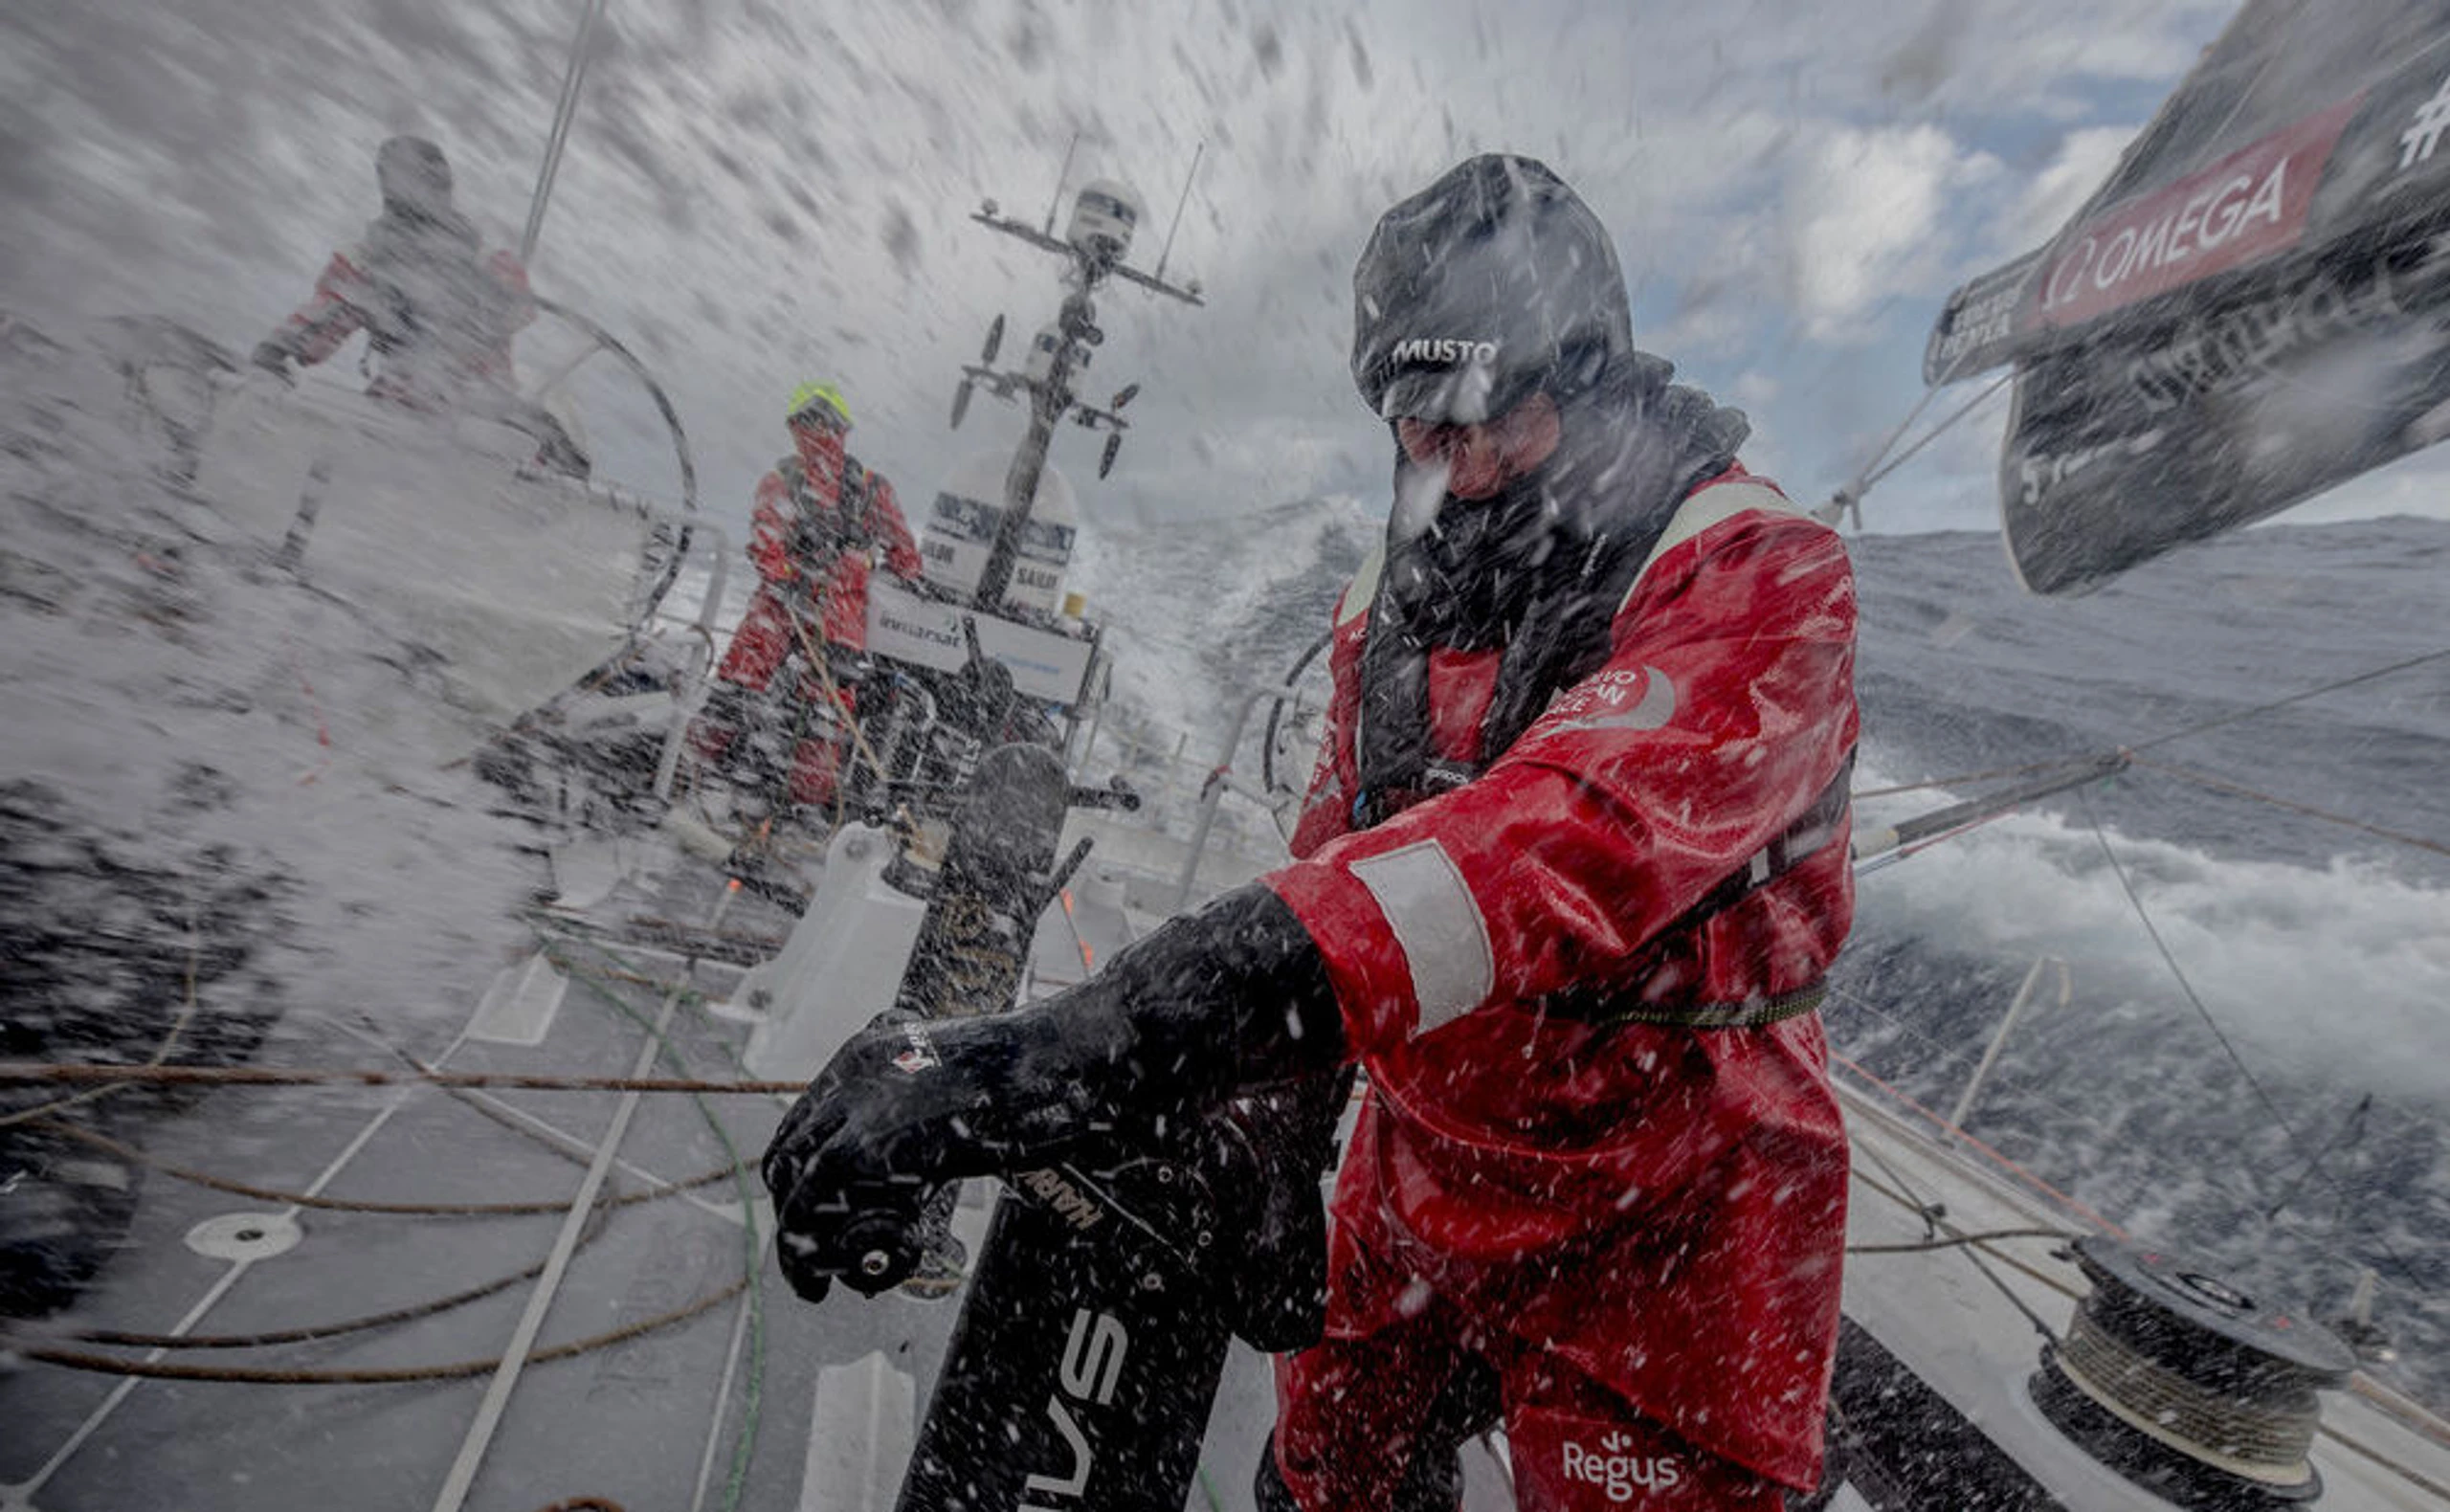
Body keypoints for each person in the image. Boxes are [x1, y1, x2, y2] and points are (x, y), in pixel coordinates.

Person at [761, 153, 1860, 1511]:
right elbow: (1337, 860)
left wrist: (1052, 1057)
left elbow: (1538, 850)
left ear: (1582, 374)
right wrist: (1275, 1125)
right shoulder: (1385, 611)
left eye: (1482, 417)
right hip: (1425, 1160)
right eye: (1416, 423)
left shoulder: (1756, 573)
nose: (1451, 469)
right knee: (1326, 1478)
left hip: (1674, 1200)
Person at [252, 136, 584, 472]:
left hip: (404, 419)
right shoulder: (495, 266)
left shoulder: (366, 264)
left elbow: (313, 334)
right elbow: (514, 315)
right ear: (445, 189)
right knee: (530, 433)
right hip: (480, 425)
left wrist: (274, 354)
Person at [694, 381, 924, 810]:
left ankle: (701, 773)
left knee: (738, 685)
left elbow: (767, 542)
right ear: (844, 429)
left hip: (784, 610)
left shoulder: (781, 481)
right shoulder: (873, 488)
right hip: (840, 622)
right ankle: (802, 806)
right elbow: (906, 557)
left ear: (796, 427)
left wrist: (786, 579)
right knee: (825, 718)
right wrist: (888, 581)